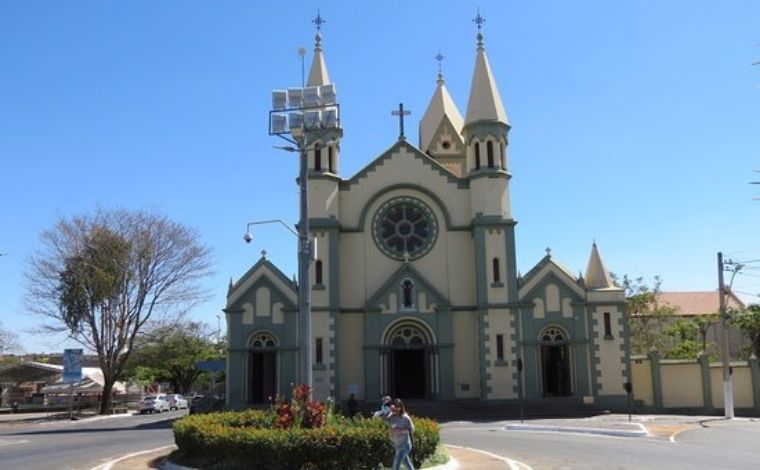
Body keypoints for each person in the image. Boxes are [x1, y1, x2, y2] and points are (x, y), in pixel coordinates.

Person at [386, 398, 415, 470]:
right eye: (395, 406)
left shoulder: (405, 417)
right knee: (407, 464)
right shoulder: (391, 416)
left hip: (405, 445)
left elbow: (412, 430)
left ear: (401, 407)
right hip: (397, 444)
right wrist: (389, 411)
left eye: (399, 406)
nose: (397, 408)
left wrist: (401, 431)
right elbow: (386, 420)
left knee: (396, 465)